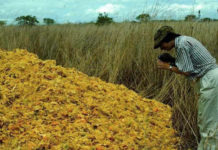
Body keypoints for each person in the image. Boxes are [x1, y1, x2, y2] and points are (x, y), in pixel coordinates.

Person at [154, 26, 218, 150]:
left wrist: (167, 67)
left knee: (208, 122)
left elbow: (187, 71)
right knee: (210, 119)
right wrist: (172, 61)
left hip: (210, 80)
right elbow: (189, 65)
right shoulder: (185, 41)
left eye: (161, 45)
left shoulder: (182, 45)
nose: (161, 48)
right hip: (211, 78)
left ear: (167, 39)